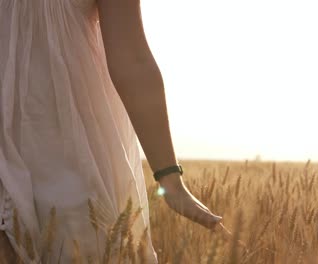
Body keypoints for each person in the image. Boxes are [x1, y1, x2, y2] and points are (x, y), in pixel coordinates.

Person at [0, 0, 227, 263]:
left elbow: (132, 62)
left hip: (64, 155)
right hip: (67, 161)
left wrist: (170, 179)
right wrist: (169, 180)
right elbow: (132, 60)